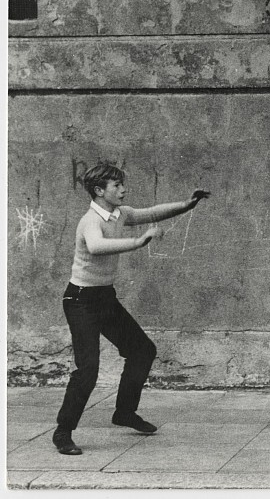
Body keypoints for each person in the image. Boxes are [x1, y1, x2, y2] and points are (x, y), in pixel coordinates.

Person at [52, 163, 210, 455]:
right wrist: (139, 242)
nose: (123, 189)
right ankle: (63, 432)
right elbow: (97, 246)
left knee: (142, 350)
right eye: (116, 186)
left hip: (104, 299)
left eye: (122, 184)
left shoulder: (120, 214)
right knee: (88, 369)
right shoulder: (90, 221)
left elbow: (150, 213)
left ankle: (124, 412)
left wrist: (187, 204)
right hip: (80, 301)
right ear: (100, 191)